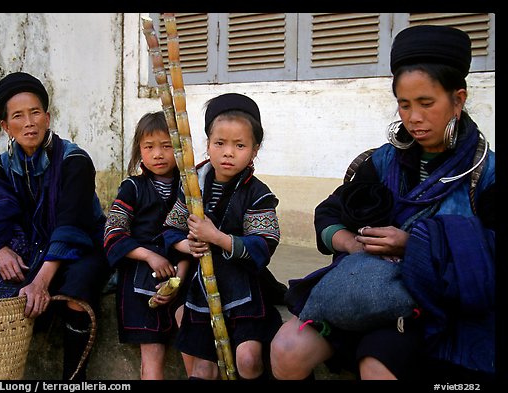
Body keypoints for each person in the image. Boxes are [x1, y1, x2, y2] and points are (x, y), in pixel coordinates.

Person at [270, 25, 495, 381]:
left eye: (426, 103)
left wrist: (415, 246)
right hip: (365, 292)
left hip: (432, 306)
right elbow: (329, 213)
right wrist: (351, 242)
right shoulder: (383, 162)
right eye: (404, 105)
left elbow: (490, 251)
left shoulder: (484, 173)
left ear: (458, 99)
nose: (414, 118)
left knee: (377, 364)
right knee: (285, 350)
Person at [0, 71, 111, 381]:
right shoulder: (6, 164)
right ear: (6, 127)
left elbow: (71, 224)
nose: (29, 122)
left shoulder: (75, 160)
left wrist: (40, 282)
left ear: (47, 118)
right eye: (18, 116)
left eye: (35, 112)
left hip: (78, 245)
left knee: (79, 290)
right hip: (27, 245)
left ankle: (74, 380)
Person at [161, 93, 284, 380]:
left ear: (255, 150)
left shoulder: (258, 193)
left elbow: (264, 244)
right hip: (202, 291)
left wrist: (217, 237)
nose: (228, 153)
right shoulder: (192, 186)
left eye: (239, 145)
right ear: (208, 145)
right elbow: (170, 230)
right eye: (220, 143)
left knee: (248, 359)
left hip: (245, 291)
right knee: (203, 368)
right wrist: (187, 244)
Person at [103, 111, 193, 380]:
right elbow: (113, 232)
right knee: (152, 357)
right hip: (140, 282)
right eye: (149, 147)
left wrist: (179, 278)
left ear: (180, 149)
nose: (158, 154)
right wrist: (150, 257)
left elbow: (194, 239)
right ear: (139, 151)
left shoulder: (190, 189)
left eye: (167, 146)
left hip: (182, 274)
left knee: (194, 342)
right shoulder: (132, 188)